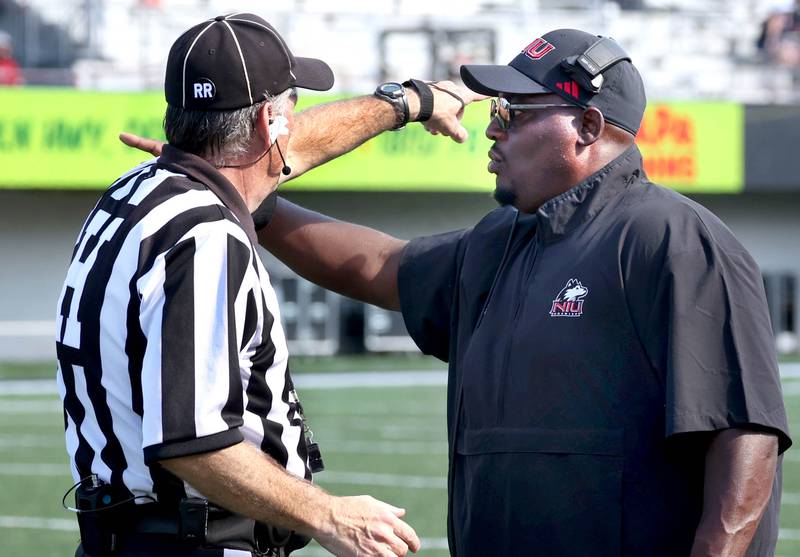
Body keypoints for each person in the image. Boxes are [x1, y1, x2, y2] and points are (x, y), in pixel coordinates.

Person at [123, 28, 792, 557]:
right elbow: (375, 266)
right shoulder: (503, 239)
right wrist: (233, 186)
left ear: (587, 128)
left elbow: (747, 440)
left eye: (515, 111)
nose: (494, 130)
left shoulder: (675, 240)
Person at [57, 13, 480, 557]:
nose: (294, 127)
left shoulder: (136, 190)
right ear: (267, 122)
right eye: (289, 110)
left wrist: (408, 102)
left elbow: (276, 152)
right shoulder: (205, 235)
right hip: (194, 541)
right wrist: (329, 514)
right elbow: (192, 443)